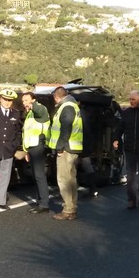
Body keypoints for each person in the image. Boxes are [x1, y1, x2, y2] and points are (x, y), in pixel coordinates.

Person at [48, 86, 83, 220]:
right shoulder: (73, 106)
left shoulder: (66, 107)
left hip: (67, 148)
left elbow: (65, 128)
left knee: (64, 180)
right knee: (71, 179)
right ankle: (72, 208)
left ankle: (68, 209)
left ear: (56, 97)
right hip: (73, 147)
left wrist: (60, 147)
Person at [21, 92, 51, 214]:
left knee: (39, 175)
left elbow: (39, 110)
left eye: (27, 100)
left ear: (34, 100)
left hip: (39, 145)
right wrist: (26, 150)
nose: (24, 103)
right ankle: (40, 202)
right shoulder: (29, 115)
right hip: (32, 147)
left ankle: (44, 204)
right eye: (23, 101)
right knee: (36, 175)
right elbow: (27, 134)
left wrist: (32, 105)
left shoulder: (40, 109)